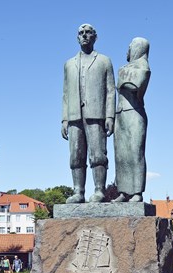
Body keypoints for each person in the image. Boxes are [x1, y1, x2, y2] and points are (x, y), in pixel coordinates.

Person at [61, 23, 116, 203]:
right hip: (74, 115)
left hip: (96, 114)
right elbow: (66, 94)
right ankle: (78, 191)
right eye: (81, 33)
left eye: (88, 33)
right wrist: (64, 119)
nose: (84, 36)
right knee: (76, 155)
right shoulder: (69, 64)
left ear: (95, 37)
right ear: (77, 37)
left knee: (98, 154)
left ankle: (99, 190)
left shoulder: (104, 61)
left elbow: (110, 90)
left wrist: (110, 116)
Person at [112, 37, 151, 202]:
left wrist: (123, 80)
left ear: (138, 48)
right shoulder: (124, 68)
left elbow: (136, 85)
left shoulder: (144, 67)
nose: (127, 49)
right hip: (120, 114)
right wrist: (125, 79)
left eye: (131, 46)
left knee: (135, 152)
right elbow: (123, 83)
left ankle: (136, 192)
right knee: (121, 155)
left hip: (135, 113)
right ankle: (123, 191)